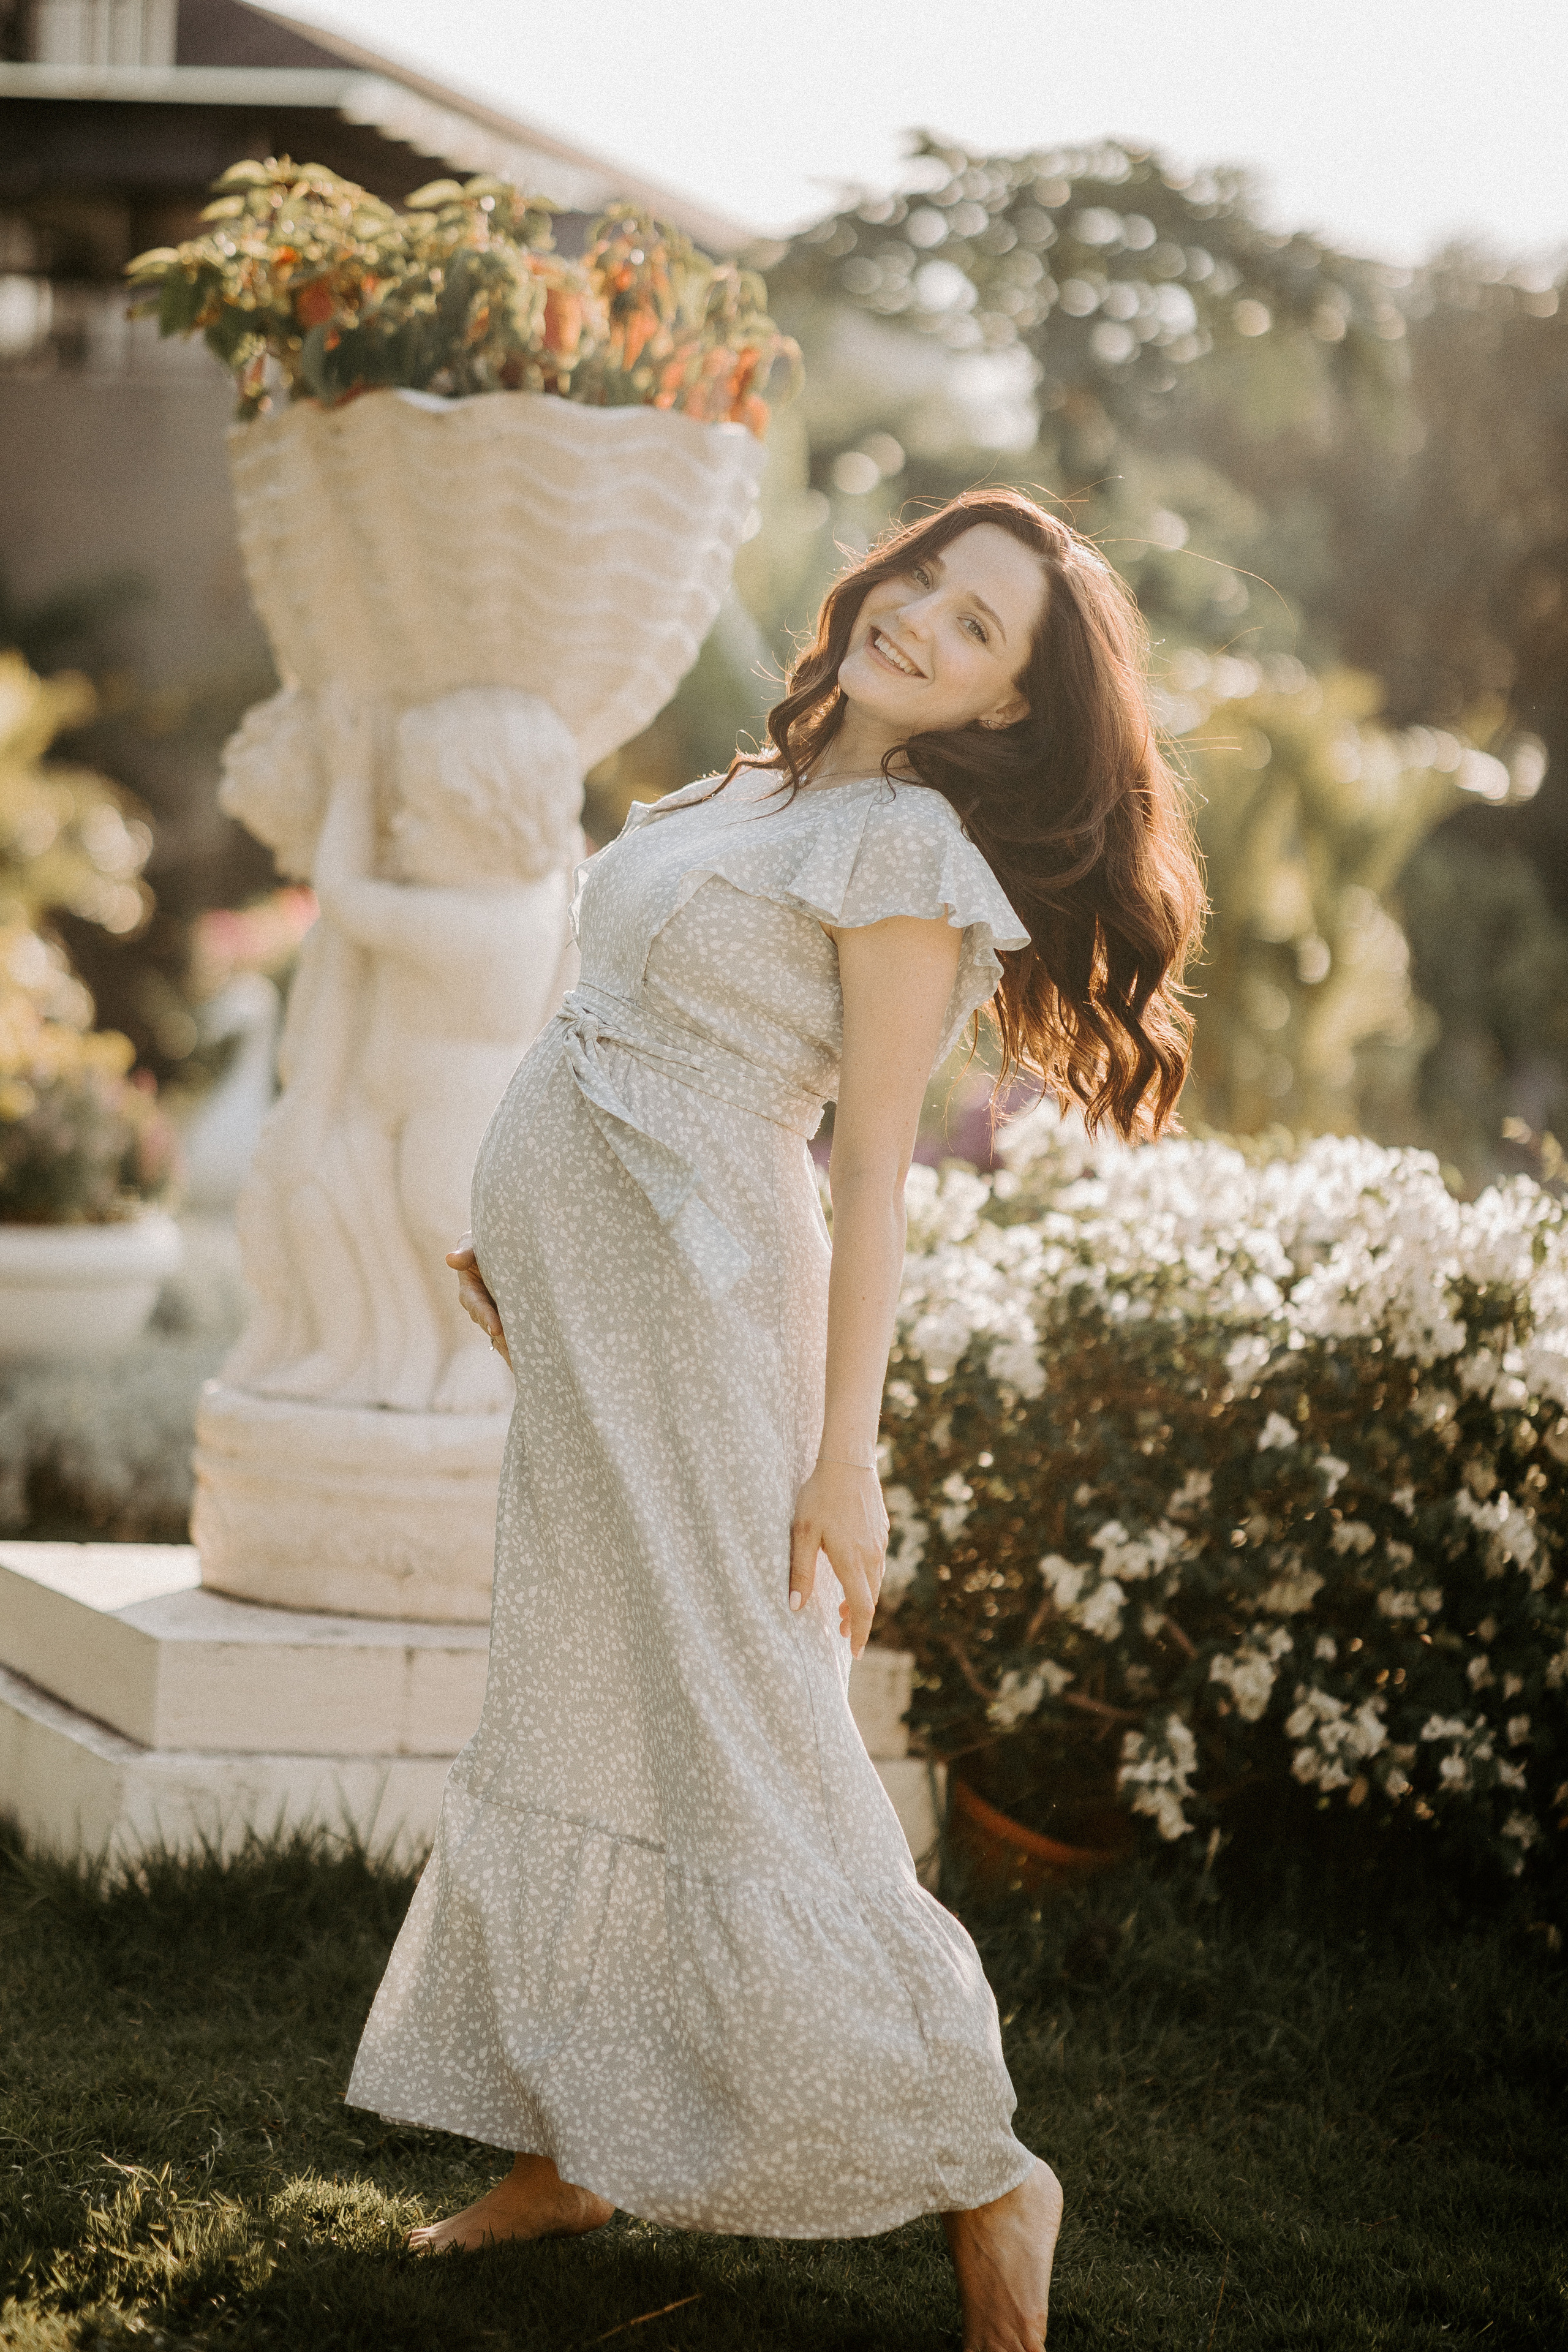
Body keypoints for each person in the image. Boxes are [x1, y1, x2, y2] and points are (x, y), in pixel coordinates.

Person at [346, 486, 1204, 2350]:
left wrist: (846, 1457)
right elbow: (610, 1027)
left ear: (997, 711)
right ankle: (571, 2140)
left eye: (981, 631)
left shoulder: (899, 846)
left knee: (747, 1731)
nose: (927, 622)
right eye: (930, 581)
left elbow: (875, 1170)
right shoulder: (748, 787)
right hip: (597, 1319)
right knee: (578, 1685)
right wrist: (519, 1248)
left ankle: (988, 2172)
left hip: (715, 1318)